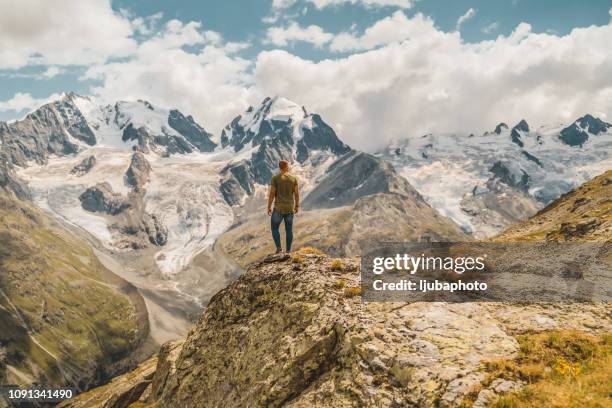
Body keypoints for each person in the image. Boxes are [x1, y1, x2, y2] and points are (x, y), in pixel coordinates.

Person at [267, 160, 299, 253]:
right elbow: (296, 194)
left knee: (274, 228)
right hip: (289, 208)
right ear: (286, 166)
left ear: (279, 167)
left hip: (278, 208)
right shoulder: (293, 178)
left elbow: (272, 193)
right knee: (289, 230)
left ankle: (279, 248)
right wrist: (296, 206)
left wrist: (269, 206)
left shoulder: (275, 178)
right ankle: (288, 250)